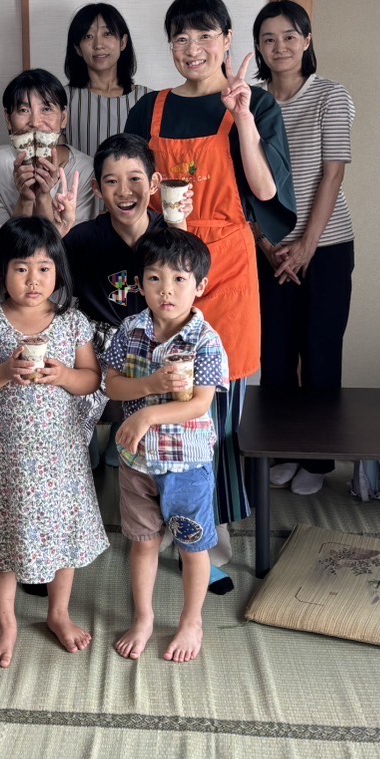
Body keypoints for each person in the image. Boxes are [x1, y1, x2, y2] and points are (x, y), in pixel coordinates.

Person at [127, 0, 295, 593]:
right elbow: (131, 186)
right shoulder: (150, 107)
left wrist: (244, 117)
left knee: (217, 410)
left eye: (205, 36)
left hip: (225, 267)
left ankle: (208, 544)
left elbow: (267, 191)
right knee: (160, 390)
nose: (192, 49)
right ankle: (155, 529)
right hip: (162, 269)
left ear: (227, 41)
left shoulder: (256, 103)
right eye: (180, 38)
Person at [0, 217, 106, 668]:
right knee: (3, 537)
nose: (33, 280)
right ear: (1, 271)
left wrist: (64, 376)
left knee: (63, 533)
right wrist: (5, 371)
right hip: (4, 457)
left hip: (60, 456)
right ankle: (6, 624)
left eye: (44, 269)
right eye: (21, 269)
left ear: (58, 272)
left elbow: (91, 380)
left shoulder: (72, 322)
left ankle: (58, 614)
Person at [104, 228, 228, 663]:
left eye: (179, 279)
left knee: (193, 546)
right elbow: (112, 386)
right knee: (143, 542)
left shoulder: (206, 340)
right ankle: (143, 618)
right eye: (155, 278)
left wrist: (147, 414)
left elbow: (200, 404)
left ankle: (192, 621)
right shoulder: (129, 330)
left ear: (200, 286)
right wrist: (149, 386)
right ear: (140, 284)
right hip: (136, 462)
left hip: (186, 465)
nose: (166, 290)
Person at [251, 0, 355, 496]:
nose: (280, 47)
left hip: (326, 246)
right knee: (274, 356)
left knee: (320, 354)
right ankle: (284, 449)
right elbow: (243, 185)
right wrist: (267, 244)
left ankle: (317, 457)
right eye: (268, 39)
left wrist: (306, 247)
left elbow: (332, 175)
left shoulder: (331, 96)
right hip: (268, 250)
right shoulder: (249, 103)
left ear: (307, 40)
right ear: (258, 47)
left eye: (290, 36)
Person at [64, 133, 166, 466]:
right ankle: (83, 442)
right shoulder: (83, 237)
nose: (124, 191)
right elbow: (49, 289)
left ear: (154, 183)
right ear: (97, 189)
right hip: (96, 339)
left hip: (149, 338)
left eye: (135, 179)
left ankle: (125, 435)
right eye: (112, 182)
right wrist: (60, 232)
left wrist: (180, 224)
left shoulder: (168, 235)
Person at [0, 69, 96, 308]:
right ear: (8, 119)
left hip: (62, 308)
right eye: (24, 110)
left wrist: (44, 197)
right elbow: (3, 256)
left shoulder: (86, 171)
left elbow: (69, 257)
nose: (35, 123)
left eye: (46, 109)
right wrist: (26, 200)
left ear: (64, 118)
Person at [62, 2, 149, 162]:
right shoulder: (62, 99)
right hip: (77, 180)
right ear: (78, 48)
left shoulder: (147, 99)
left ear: (123, 42)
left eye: (107, 34)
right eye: (88, 36)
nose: (98, 45)